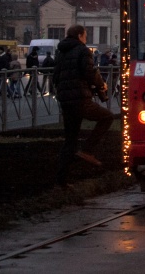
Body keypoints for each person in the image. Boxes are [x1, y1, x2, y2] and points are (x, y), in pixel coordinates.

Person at [52, 24, 113, 186]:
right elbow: (89, 72)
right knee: (107, 117)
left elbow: (56, 76)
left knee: (70, 139)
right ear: (80, 35)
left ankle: (61, 181)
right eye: (85, 35)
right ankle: (87, 150)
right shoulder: (83, 50)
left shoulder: (61, 52)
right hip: (79, 98)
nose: (86, 38)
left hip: (65, 99)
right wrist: (101, 85)